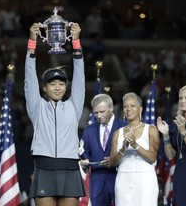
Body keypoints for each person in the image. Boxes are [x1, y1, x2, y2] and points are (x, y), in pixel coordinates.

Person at [24, 23, 85, 206]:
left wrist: (76, 44)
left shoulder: (74, 106)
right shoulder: (37, 106)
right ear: (44, 87)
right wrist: (32, 44)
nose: (57, 87)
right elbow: (29, 78)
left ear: (66, 87)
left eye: (61, 83)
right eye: (52, 83)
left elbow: (80, 77)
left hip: (70, 167)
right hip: (44, 167)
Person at [110, 92, 159, 206]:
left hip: (145, 179)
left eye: (132, 106)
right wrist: (123, 148)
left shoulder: (151, 130)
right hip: (123, 179)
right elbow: (112, 162)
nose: (128, 109)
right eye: (126, 106)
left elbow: (152, 158)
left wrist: (135, 144)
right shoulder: (118, 133)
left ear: (140, 109)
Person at [156, 85, 186, 206]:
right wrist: (165, 135)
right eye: (181, 98)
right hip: (181, 173)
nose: (183, 101)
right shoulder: (176, 124)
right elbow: (170, 155)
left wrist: (183, 132)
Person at [80, 94, 127, 206]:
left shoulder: (124, 127)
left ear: (111, 108)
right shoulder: (89, 129)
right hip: (97, 180)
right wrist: (85, 160)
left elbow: (129, 152)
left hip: (119, 177)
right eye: (96, 113)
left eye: (102, 112)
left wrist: (115, 160)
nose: (99, 116)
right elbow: (84, 151)